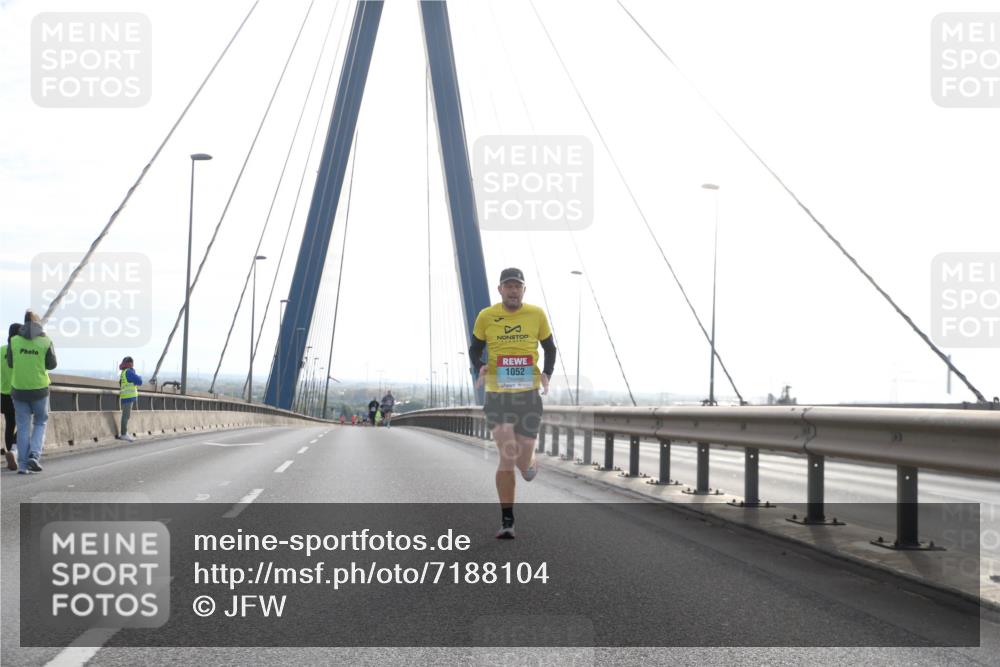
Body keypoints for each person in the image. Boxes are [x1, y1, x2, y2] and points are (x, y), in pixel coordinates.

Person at [470, 268, 556, 539]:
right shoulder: (486, 316)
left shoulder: (536, 314)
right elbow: (475, 347)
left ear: (523, 290)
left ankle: (529, 464)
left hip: (528, 394)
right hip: (497, 393)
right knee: (506, 454)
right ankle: (507, 521)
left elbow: (550, 347)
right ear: (500, 290)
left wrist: (547, 374)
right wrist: (480, 366)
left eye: (517, 286)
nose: (513, 290)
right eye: (508, 286)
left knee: (523, 464)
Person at [6, 310, 57, 474]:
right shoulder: (46, 341)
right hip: (40, 390)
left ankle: (22, 466)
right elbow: (52, 365)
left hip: (19, 389)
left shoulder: (14, 341)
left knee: (22, 427)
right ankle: (34, 455)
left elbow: (11, 363)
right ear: (38, 324)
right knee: (40, 422)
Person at [1, 323, 20, 470]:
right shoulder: (19, 350)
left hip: (4, 393)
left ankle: (10, 455)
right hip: (19, 392)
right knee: (25, 424)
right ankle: (14, 448)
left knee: (9, 425)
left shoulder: (1, 350)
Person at [117, 356, 143, 442]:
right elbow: (139, 381)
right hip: (128, 398)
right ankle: (124, 434)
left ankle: (124, 433)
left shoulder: (124, 372)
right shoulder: (129, 372)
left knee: (126, 416)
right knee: (126, 416)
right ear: (130, 364)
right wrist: (139, 376)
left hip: (125, 397)